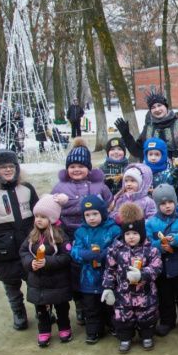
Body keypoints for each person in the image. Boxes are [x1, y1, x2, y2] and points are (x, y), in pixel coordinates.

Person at [0, 150, 39, 330]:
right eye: (3, 167)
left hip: (28, 245)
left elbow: (38, 213)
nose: (8, 170)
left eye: (11, 166)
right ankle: (18, 311)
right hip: (4, 248)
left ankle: (42, 310)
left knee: (35, 280)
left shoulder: (26, 188)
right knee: (11, 284)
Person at [51, 138, 113, 324]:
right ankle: (81, 305)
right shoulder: (60, 187)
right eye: (72, 166)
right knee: (76, 270)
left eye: (81, 166)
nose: (76, 169)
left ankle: (102, 305)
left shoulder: (99, 185)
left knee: (99, 267)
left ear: (89, 168)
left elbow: (109, 204)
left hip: (96, 233)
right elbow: (53, 211)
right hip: (70, 233)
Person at [101, 203, 163, 353]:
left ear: (141, 233)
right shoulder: (115, 249)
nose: (131, 237)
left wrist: (142, 274)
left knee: (146, 316)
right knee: (123, 318)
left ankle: (146, 336)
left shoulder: (151, 249)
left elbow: (157, 267)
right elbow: (110, 269)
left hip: (145, 294)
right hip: (123, 294)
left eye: (135, 233)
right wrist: (108, 288)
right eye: (128, 234)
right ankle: (125, 338)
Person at [20, 193, 73, 347]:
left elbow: (67, 256)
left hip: (58, 282)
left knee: (61, 307)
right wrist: (31, 263)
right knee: (41, 309)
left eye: (43, 216)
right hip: (38, 283)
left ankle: (64, 327)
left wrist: (47, 262)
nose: (38, 219)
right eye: (36, 216)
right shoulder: (32, 235)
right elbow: (23, 252)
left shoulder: (60, 235)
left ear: (51, 218)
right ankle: (44, 330)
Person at [146, 184, 178, 337]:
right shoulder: (151, 223)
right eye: (162, 204)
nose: (167, 206)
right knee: (165, 296)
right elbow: (147, 245)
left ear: (175, 201)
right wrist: (160, 245)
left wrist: (177, 239)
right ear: (157, 205)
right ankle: (167, 321)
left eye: (170, 202)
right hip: (162, 268)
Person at [71, 195, 121, 344]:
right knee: (91, 307)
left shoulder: (113, 229)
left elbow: (118, 247)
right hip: (88, 278)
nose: (91, 218)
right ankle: (94, 331)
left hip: (109, 276)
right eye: (87, 215)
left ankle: (113, 325)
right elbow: (75, 251)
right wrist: (87, 255)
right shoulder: (80, 232)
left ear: (103, 213)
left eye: (95, 214)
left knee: (110, 305)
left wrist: (104, 254)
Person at [115, 92, 178, 161]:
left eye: (159, 105)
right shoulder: (148, 128)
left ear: (166, 106)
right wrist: (126, 136)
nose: (157, 109)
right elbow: (137, 152)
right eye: (153, 107)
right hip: (153, 173)